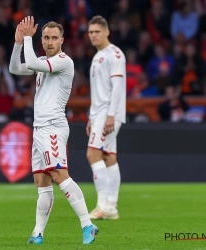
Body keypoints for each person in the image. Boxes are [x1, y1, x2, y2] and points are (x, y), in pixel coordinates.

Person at [9, 16, 98, 245]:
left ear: (62, 40)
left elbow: (31, 64)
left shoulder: (64, 62)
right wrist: (19, 43)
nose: (50, 42)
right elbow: (15, 68)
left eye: (54, 38)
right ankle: (38, 234)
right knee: (42, 182)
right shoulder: (40, 60)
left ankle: (87, 224)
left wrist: (27, 39)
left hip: (53, 128)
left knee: (60, 175)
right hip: (39, 128)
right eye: (46, 38)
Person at [86, 15, 126, 220]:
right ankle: (112, 207)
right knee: (109, 156)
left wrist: (110, 115)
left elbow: (117, 87)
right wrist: (92, 117)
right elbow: (98, 92)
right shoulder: (97, 56)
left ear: (107, 32)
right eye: (90, 32)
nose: (93, 35)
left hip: (109, 113)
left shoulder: (115, 54)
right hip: (100, 113)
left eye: (97, 32)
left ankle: (101, 206)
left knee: (93, 154)